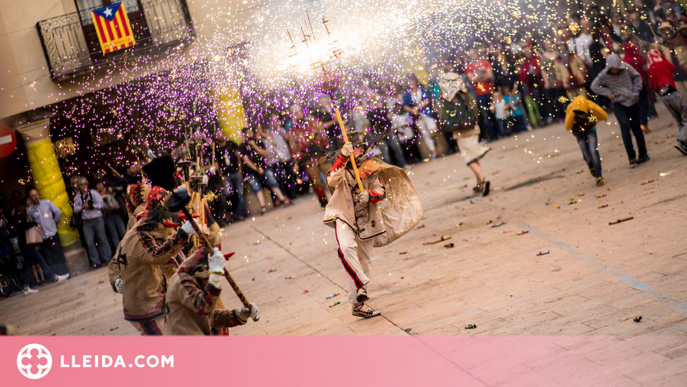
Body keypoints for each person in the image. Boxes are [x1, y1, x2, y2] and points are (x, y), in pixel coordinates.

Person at [324, 132, 423, 318]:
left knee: (364, 262)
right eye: (355, 147)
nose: (360, 149)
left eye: (361, 146)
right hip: (344, 215)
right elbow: (331, 179)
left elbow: (381, 191)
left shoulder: (370, 167)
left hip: (366, 220)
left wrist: (369, 195)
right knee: (346, 248)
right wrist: (343, 158)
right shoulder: (340, 167)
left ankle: (357, 304)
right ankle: (361, 282)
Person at [108, 201, 195, 335]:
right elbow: (157, 255)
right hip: (146, 304)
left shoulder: (140, 230)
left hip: (160, 298)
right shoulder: (139, 237)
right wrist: (116, 279)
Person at [164, 247, 260, 335]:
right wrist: (215, 278)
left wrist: (239, 315)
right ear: (200, 273)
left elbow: (210, 317)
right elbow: (204, 308)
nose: (208, 282)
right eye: (208, 278)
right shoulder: (181, 281)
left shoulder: (189, 279)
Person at [435, 73, 492, 195]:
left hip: (460, 133)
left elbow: (444, 120)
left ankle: (483, 178)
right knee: (473, 155)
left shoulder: (445, 100)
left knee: (469, 158)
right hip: (473, 129)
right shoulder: (465, 95)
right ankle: (479, 183)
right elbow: (476, 110)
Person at [591, 54, 649, 168]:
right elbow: (594, 86)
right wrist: (608, 93)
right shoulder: (604, 74)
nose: (615, 70)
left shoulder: (626, 67)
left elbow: (637, 77)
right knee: (625, 126)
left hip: (632, 101)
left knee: (636, 128)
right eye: (612, 69)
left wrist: (635, 91)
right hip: (618, 104)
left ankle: (643, 154)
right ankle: (631, 157)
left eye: (616, 68)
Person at [12, 199, 69, 294]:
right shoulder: (21, 222)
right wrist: (34, 223)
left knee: (28, 266)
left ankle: (26, 287)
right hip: (28, 246)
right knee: (42, 262)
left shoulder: (19, 221)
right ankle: (55, 277)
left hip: (26, 247)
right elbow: (24, 227)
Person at [240, 126, 290, 215]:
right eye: (248, 132)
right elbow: (245, 160)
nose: (251, 134)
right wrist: (256, 169)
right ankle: (263, 208)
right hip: (251, 171)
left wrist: (254, 145)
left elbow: (265, 153)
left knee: (272, 180)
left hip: (263, 167)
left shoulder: (258, 142)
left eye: (251, 132)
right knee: (256, 187)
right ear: (244, 135)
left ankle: (282, 200)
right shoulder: (242, 146)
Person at [647, 49, 687, 154]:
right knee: (686, 117)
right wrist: (664, 58)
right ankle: (681, 139)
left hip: (663, 97)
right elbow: (673, 68)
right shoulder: (662, 61)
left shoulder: (649, 66)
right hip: (672, 93)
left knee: (679, 120)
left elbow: (651, 82)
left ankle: (684, 145)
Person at [290, 114, 333, 209]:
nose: (298, 113)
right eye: (296, 112)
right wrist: (296, 162)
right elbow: (294, 148)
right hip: (309, 160)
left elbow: (323, 135)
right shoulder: (293, 131)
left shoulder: (313, 123)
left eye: (299, 111)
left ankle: (338, 198)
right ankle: (324, 202)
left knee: (332, 177)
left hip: (321, 156)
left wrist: (326, 148)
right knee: (317, 182)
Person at [565, 96, 608, 187]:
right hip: (579, 133)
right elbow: (567, 127)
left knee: (593, 150)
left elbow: (604, 116)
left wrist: (593, 114)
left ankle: (599, 176)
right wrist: (572, 115)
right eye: (578, 113)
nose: (580, 115)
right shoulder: (570, 108)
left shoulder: (591, 106)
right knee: (586, 154)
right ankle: (590, 165)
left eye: (582, 113)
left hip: (590, 130)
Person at [26, 187, 69, 276]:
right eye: (33, 196)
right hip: (43, 237)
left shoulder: (47, 203)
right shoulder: (30, 210)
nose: (36, 197)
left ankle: (65, 272)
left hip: (53, 233)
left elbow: (58, 212)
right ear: (30, 198)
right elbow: (31, 222)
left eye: (36, 195)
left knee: (59, 253)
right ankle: (57, 275)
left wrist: (54, 221)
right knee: (49, 257)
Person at [74, 177, 112, 268]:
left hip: (97, 218)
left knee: (103, 239)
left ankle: (108, 258)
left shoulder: (93, 193)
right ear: (79, 186)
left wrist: (92, 205)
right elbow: (75, 209)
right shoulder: (77, 197)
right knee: (90, 242)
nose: (84, 186)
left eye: (85, 184)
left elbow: (102, 204)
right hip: (86, 221)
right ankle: (96, 262)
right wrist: (82, 207)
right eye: (82, 185)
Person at [466, 48, 498, 140]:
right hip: (480, 94)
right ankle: (491, 136)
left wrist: (478, 78)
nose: (473, 56)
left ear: (476, 53)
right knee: (485, 116)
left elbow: (490, 75)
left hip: (490, 92)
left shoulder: (485, 63)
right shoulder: (469, 67)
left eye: (473, 54)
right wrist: (483, 77)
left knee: (495, 113)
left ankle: (501, 133)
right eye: (470, 55)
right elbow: (472, 80)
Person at [403, 73, 438, 157]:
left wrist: (417, 108)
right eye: (408, 81)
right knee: (425, 133)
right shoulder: (407, 94)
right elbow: (405, 106)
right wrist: (412, 111)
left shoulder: (422, 89)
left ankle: (433, 140)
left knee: (433, 129)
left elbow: (427, 100)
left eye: (411, 81)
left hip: (427, 113)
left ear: (415, 81)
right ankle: (433, 151)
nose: (410, 83)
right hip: (417, 117)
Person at [623, 38, 652, 132]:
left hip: (629, 86)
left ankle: (634, 126)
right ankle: (643, 123)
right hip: (640, 84)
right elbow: (645, 60)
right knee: (643, 103)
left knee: (633, 106)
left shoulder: (623, 61)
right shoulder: (637, 59)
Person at [214, 134, 245, 221]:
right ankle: (232, 214)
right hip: (226, 175)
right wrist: (221, 176)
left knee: (240, 193)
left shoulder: (231, 144)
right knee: (228, 194)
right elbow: (217, 164)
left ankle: (240, 214)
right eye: (218, 134)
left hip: (236, 172)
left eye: (221, 133)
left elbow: (238, 156)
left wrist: (240, 169)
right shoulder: (216, 149)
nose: (220, 135)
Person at [96, 181, 125, 252]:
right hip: (108, 216)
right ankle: (120, 252)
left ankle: (129, 248)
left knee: (123, 232)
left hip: (116, 213)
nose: (99, 186)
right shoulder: (97, 195)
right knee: (114, 235)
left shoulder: (109, 189)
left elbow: (121, 188)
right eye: (97, 185)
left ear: (103, 184)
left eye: (100, 184)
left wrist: (112, 193)